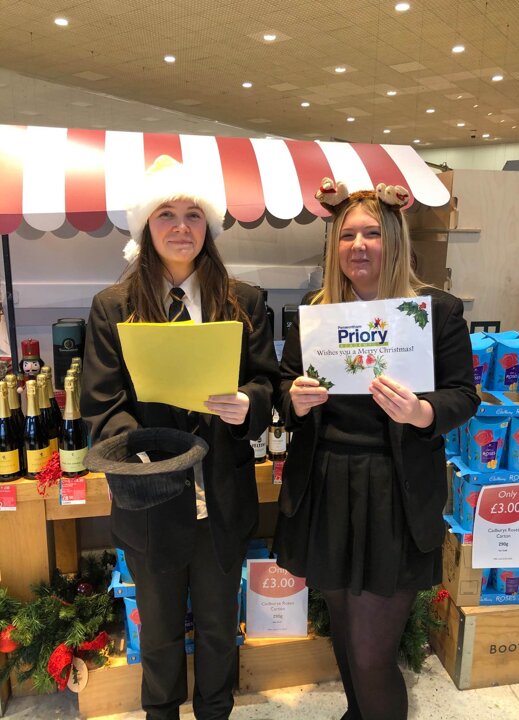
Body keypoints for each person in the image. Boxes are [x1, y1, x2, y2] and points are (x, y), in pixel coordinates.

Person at [80, 155, 279, 720]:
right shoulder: (113, 308)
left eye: (193, 214)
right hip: (150, 500)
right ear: (147, 225)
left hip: (222, 499)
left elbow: (268, 382)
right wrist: (145, 456)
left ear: (208, 226)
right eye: (166, 214)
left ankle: (216, 711)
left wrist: (249, 403)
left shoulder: (243, 301)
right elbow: (102, 404)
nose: (181, 226)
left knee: (219, 628)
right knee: (161, 633)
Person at [273, 179, 479, 720]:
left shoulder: (435, 311)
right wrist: (294, 399)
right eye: (347, 236)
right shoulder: (318, 311)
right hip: (325, 485)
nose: (358, 246)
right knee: (344, 632)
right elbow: (285, 385)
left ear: (394, 239)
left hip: (395, 491)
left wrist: (421, 411)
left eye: (371, 234)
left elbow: (463, 395)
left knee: (371, 654)